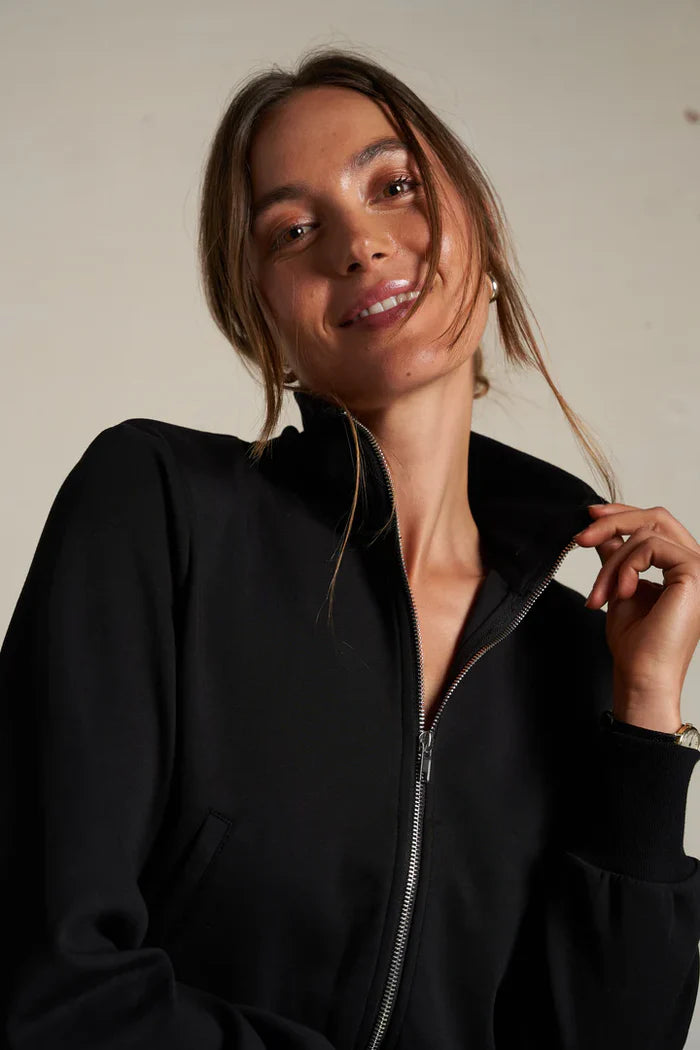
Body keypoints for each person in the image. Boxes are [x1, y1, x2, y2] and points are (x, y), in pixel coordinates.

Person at [2, 45, 700, 1050]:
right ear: (258, 312)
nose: (360, 245)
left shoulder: (573, 650)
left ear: (481, 235)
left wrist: (643, 715)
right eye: (294, 230)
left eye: (395, 187)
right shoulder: (158, 511)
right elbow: (48, 982)